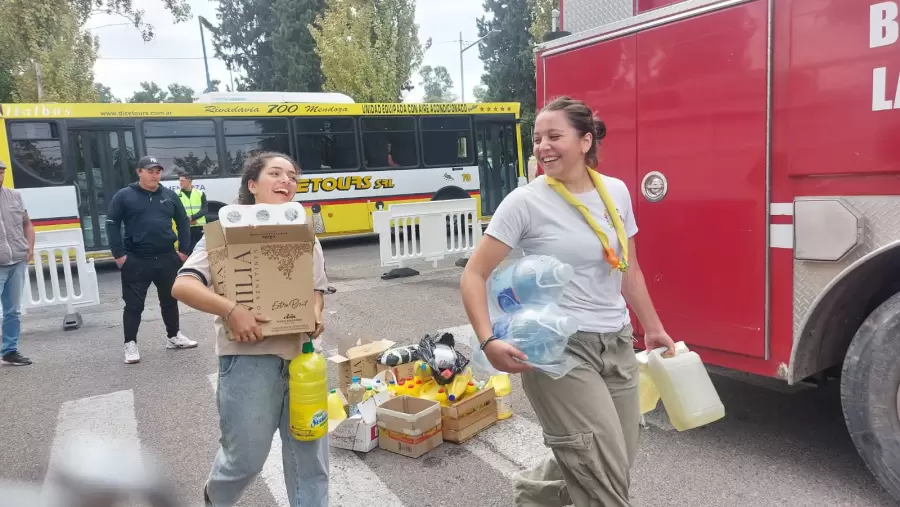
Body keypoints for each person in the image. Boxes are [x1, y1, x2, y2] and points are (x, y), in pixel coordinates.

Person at [460, 96, 676, 507]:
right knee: (604, 478)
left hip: (616, 342)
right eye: (538, 138)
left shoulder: (615, 192)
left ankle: (535, 498)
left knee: (615, 460)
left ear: (585, 141)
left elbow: (629, 269)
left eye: (554, 136)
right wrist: (488, 341)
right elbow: (474, 274)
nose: (543, 146)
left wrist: (653, 327)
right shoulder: (526, 202)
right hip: (558, 348)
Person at [171, 152, 329, 507]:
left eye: (292, 176)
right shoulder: (225, 232)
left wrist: (316, 312)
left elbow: (316, 289)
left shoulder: (306, 234)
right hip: (248, 362)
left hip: (304, 362)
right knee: (244, 461)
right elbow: (183, 285)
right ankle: (216, 497)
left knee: (310, 461)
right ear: (253, 185)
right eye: (276, 173)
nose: (286, 180)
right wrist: (232, 310)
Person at [105, 155, 198, 364]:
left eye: (157, 172)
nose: (155, 175)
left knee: (170, 300)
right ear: (139, 172)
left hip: (167, 257)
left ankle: (173, 336)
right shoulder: (124, 196)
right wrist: (119, 255)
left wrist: (184, 251)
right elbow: (112, 223)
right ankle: (130, 344)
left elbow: (183, 221)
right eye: (150, 171)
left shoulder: (169, 195)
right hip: (136, 259)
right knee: (133, 305)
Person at [0, 159, 35, 366]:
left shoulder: (14, 196)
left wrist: (30, 247)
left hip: (16, 262)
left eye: (1, 172)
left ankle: (9, 351)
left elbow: (27, 224)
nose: (0, 176)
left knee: (12, 311)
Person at [176, 172, 208, 253]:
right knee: (187, 251)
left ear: (189, 181)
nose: (180, 183)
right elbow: (175, 210)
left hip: (199, 226)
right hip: (185, 227)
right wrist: (186, 219)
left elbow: (205, 209)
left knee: (201, 250)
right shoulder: (176, 194)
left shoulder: (200, 193)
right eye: (179, 181)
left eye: (182, 181)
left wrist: (192, 218)